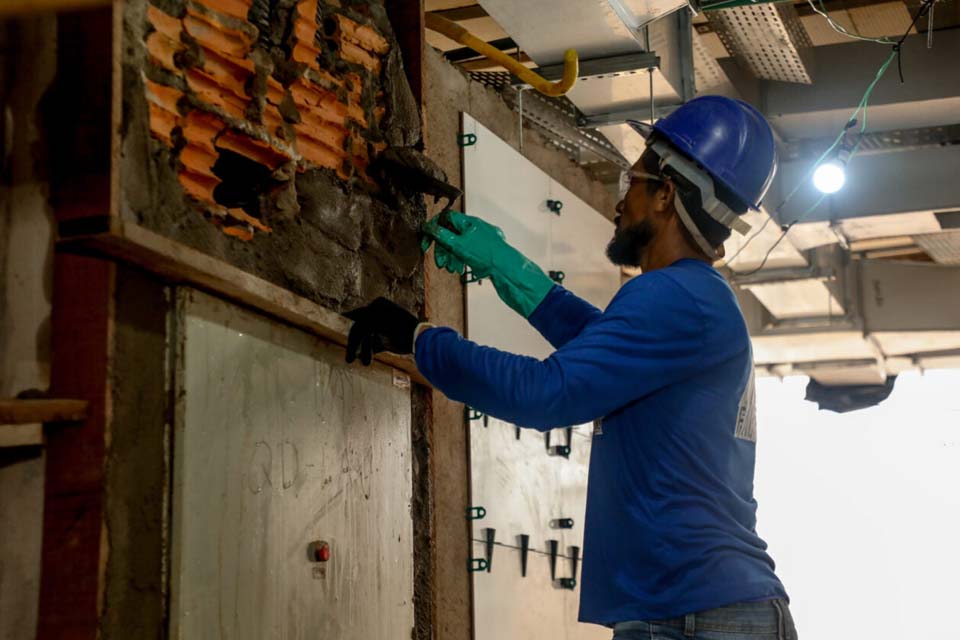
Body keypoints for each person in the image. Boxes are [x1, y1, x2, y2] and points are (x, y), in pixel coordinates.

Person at [345, 96, 797, 640]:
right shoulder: (695, 301)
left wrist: (418, 338)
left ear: (665, 194)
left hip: (698, 615)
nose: (619, 200)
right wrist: (507, 267)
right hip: (692, 608)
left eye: (632, 181)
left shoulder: (677, 297)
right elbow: (602, 347)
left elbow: (546, 393)